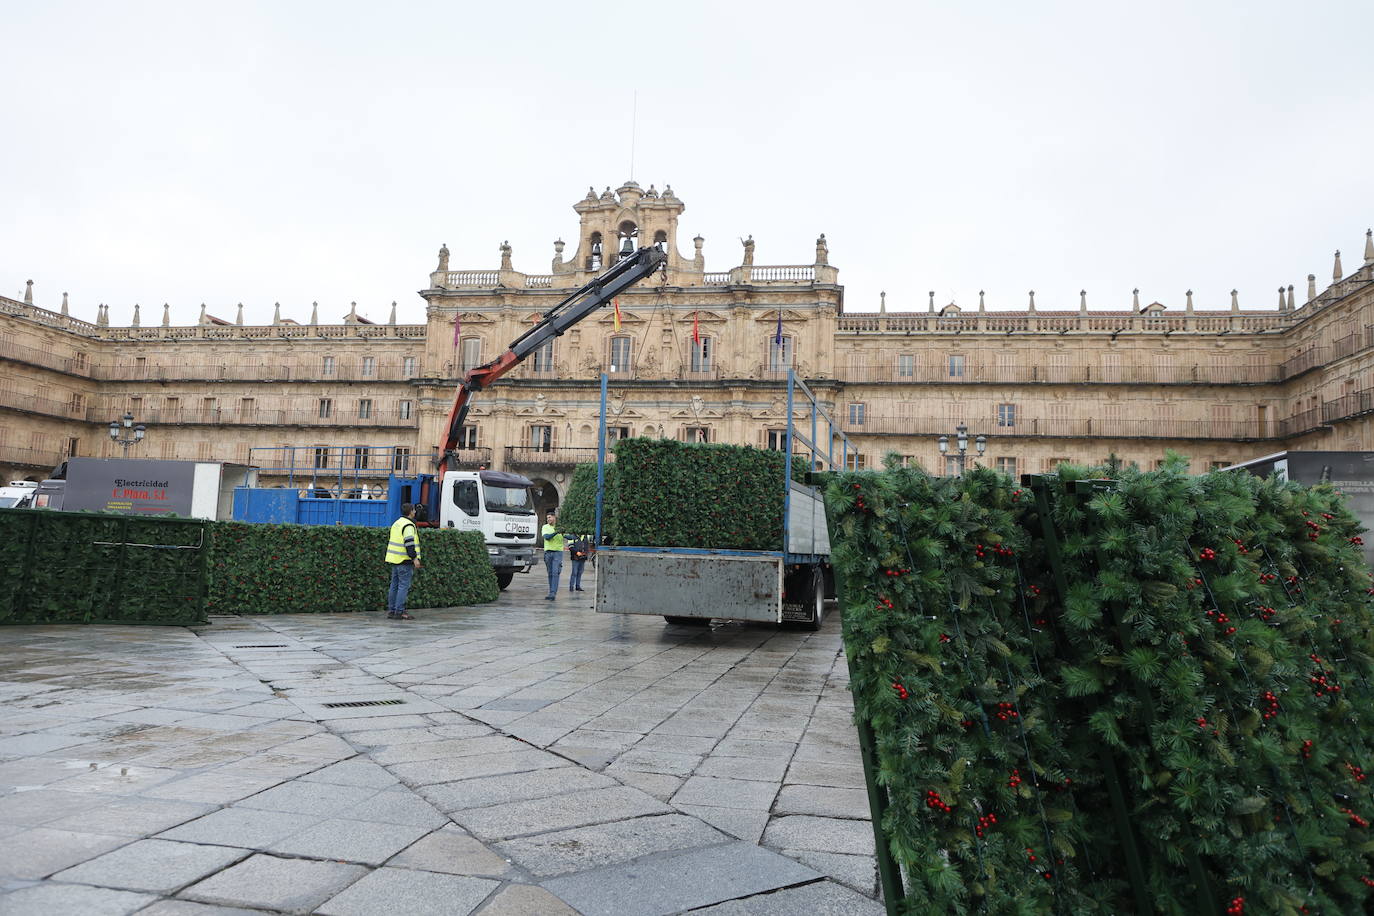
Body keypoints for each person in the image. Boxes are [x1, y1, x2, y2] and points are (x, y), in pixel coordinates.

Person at [385, 502, 422, 620]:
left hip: (394, 559)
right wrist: (415, 558)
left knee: (394, 586)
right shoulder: (408, 526)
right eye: (414, 510)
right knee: (403, 586)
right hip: (404, 560)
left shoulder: (397, 523)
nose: (415, 512)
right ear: (410, 512)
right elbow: (409, 544)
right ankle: (399, 611)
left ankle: (391, 610)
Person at [541, 510, 564, 600]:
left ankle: (553, 593)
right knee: (550, 573)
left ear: (554, 518)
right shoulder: (545, 527)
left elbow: (568, 536)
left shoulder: (561, 528)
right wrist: (556, 532)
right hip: (548, 553)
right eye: (547, 518)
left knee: (555, 572)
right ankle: (551, 592)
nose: (548, 519)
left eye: (550, 517)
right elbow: (547, 537)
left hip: (558, 553)